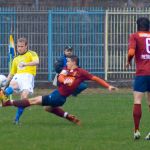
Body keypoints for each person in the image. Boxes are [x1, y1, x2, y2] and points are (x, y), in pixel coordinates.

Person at [1, 55, 117, 125]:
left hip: (58, 97)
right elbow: (61, 77)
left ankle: (7, 103)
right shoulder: (66, 69)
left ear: (74, 63)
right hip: (59, 97)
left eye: (68, 61)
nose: (66, 63)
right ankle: (69, 117)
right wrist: (64, 80)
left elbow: (95, 78)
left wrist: (108, 86)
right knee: (48, 108)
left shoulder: (81, 72)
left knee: (33, 101)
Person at [4, 37, 39, 124]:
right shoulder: (15, 59)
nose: (19, 48)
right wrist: (5, 85)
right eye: (18, 46)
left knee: (24, 98)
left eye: (21, 46)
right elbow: (11, 74)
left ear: (26, 46)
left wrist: (25, 64)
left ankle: (16, 119)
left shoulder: (32, 53)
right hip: (18, 76)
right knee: (12, 85)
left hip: (28, 77)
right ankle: (2, 99)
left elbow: (37, 62)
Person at [126, 17, 150, 140]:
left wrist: (128, 61)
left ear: (137, 26)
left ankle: (136, 131)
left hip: (142, 73)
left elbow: (131, 52)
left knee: (137, 101)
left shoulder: (135, 36)